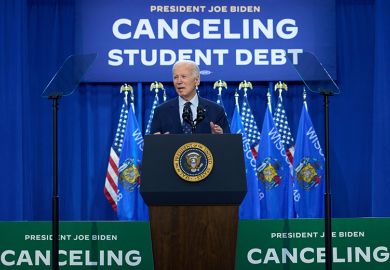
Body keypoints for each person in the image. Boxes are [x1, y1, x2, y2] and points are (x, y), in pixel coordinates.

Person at [150, 60, 230, 134]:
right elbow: (152, 146)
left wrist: (220, 137)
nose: (179, 81)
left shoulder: (216, 111)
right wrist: (158, 142)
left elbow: (228, 145)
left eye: (183, 76)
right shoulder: (161, 112)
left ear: (197, 80)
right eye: (175, 77)